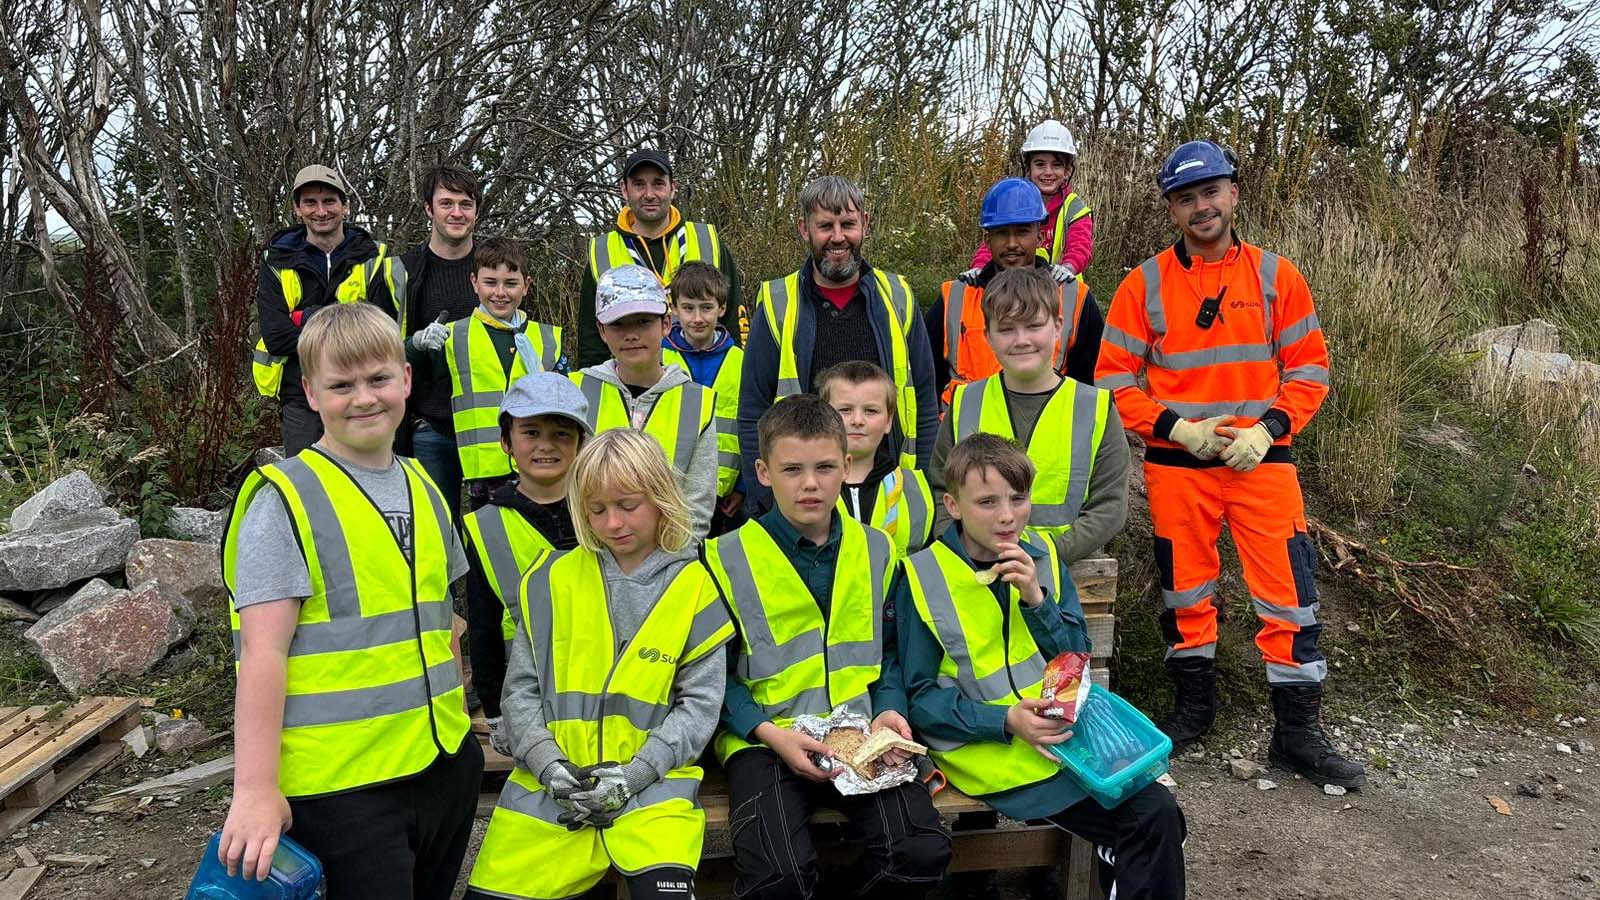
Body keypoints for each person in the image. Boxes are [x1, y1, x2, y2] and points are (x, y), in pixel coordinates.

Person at [1094, 140, 1363, 788]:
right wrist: (1175, 427)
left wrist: (1270, 430)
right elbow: (1110, 378)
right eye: (1186, 198)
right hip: (1179, 463)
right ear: (1172, 210)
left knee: (1290, 596)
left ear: (1233, 194)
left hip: (1261, 464)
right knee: (1186, 592)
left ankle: (1297, 734)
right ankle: (1194, 711)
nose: (1201, 207)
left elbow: (1310, 370)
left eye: (1210, 192)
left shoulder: (1277, 277)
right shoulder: (1145, 283)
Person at [220, 302, 482, 899]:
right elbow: (262, 657)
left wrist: (460, 731)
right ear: (311, 393)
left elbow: (446, 623)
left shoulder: (426, 488)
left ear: (407, 381)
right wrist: (256, 791)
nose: (364, 398)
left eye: (378, 379)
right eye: (341, 385)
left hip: (439, 763)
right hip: (343, 787)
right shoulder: (284, 499)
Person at [900, 433, 1187, 900]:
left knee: (1159, 815)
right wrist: (1008, 722)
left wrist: (1036, 600)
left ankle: (1114, 858)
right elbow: (920, 699)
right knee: (1149, 821)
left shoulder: (1043, 556)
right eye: (987, 502)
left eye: (1018, 498)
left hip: (1065, 741)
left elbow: (1075, 654)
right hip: (989, 752)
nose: (1008, 515)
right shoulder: (921, 575)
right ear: (953, 505)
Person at [465, 429, 735, 900]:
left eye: (629, 506)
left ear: (661, 498)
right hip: (551, 797)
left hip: (653, 794)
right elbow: (521, 692)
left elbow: (699, 707)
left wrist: (634, 775)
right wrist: (550, 767)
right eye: (597, 509)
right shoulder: (551, 580)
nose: (613, 524)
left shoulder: (696, 585)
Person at [705, 394, 951, 900]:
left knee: (920, 852)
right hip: (765, 741)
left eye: (824, 467)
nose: (810, 483)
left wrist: (888, 711)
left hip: (861, 734)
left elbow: (888, 655)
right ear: (764, 472)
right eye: (792, 469)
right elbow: (712, 676)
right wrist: (768, 732)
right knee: (779, 879)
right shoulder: (723, 557)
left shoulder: (878, 549)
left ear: (846, 466)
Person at [739, 175, 939, 513]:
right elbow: (752, 412)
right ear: (804, 229)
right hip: (806, 496)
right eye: (825, 226)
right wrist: (767, 502)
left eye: (847, 224)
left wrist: (927, 492)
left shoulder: (899, 297)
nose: (837, 237)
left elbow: (924, 400)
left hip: (890, 495)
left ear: (865, 224)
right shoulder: (777, 303)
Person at [930, 267, 1129, 567]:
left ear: (1058, 326)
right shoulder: (964, 402)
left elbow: (1109, 506)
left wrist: (1044, 557)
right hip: (976, 574)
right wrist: (966, 553)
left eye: (1034, 325)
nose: (1022, 340)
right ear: (988, 336)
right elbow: (940, 489)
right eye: (1007, 329)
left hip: (1066, 581)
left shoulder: (1095, 408)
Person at [461, 373, 591, 755]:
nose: (546, 446)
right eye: (531, 433)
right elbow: (482, 629)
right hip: (529, 701)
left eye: (562, 434)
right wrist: (497, 713)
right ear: (506, 442)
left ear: (582, 443)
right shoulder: (486, 526)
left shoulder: (604, 512)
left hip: (609, 696)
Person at [252, 164, 404, 455]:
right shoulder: (276, 261)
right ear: (297, 209)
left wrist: (304, 317)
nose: (321, 211)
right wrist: (344, 319)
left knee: (364, 483)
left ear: (345, 207)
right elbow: (277, 338)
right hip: (301, 396)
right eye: (310, 202)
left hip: (363, 395)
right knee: (308, 486)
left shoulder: (375, 257)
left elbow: (377, 334)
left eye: (329, 201)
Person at [409, 236, 565, 514]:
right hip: (482, 473)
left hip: (535, 465)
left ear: (527, 286)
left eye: (511, 283)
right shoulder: (454, 335)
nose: (500, 293)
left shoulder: (548, 338)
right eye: (490, 283)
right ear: (474, 283)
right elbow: (403, 371)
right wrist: (417, 344)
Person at [927, 178, 1104, 405]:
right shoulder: (955, 297)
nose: (1011, 243)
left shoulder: (1073, 299)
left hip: (1043, 429)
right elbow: (926, 381)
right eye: (1002, 233)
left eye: (1022, 232)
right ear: (987, 240)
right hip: (965, 433)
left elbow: (1089, 386)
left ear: (1039, 236)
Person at [572, 264, 718, 538]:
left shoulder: (697, 402)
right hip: (593, 562)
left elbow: (697, 509)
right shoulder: (576, 392)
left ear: (665, 324)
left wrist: (673, 567)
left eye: (643, 321)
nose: (631, 334)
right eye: (618, 324)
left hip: (671, 563)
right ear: (602, 331)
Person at [577, 148, 741, 367]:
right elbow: (591, 337)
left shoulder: (706, 239)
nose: (649, 194)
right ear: (624, 190)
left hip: (703, 381)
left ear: (673, 188)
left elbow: (733, 319)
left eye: (658, 183)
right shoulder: (602, 250)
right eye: (638, 184)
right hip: (630, 384)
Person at [401, 163, 483, 523]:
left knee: (495, 537)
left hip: (491, 430)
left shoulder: (496, 269)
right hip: (430, 428)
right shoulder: (403, 272)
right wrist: (415, 344)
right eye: (446, 203)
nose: (456, 213)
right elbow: (377, 354)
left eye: (465, 204)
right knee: (435, 532)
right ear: (428, 209)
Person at [661, 260, 746, 533]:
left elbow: (751, 426)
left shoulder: (741, 362)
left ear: (721, 309)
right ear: (673, 309)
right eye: (688, 308)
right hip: (668, 491)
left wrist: (743, 487)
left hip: (725, 495)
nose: (697, 318)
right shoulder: (659, 358)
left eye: (706, 308)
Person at [817, 360, 933, 557]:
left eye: (871, 411)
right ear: (823, 416)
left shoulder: (916, 490)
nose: (857, 420)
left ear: (888, 421)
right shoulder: (806, 485)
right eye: (845, 410)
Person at [962, 120, 1094, 278]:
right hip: (1018, 288)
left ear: (1067, 170)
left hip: (1062, 292)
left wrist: (1068, 268)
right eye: (1040, 164)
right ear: (1028, 167)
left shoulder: (1075, 209)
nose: (1048, 172)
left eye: (1056, 165)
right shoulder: (1012, 200)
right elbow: (994, 240)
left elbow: (1081, 247)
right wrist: (979, 268)